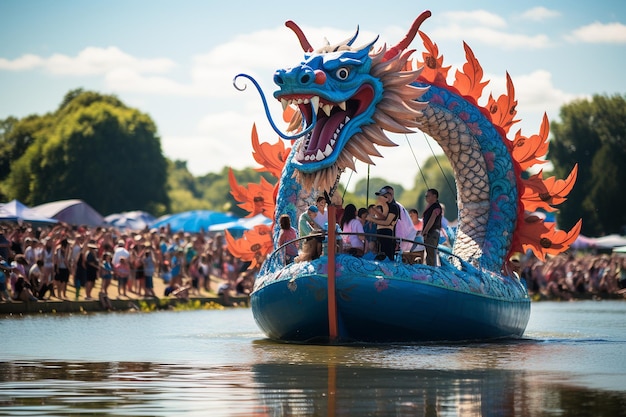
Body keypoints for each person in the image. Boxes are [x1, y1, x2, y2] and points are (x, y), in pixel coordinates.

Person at [367, 186, 399, 261]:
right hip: (380, 234)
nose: (380, 198)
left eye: (383, 196)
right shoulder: (385, 206)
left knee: (387, 257)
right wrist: (375, 212)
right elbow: (382, 218)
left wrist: (373, 219)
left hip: (387, 234)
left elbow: (387, 222)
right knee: (380, 257)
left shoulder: (393, 207)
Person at [422, 188, 443, 266]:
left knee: (431, 254)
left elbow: (432, 219)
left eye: (428, 195)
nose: (426, 197)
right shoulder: (431, 206)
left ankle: (432, 271)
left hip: (432, 233)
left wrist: (425, 231)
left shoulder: (436, 207)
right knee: (429, 253)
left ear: (434, 196)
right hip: (430, 233)